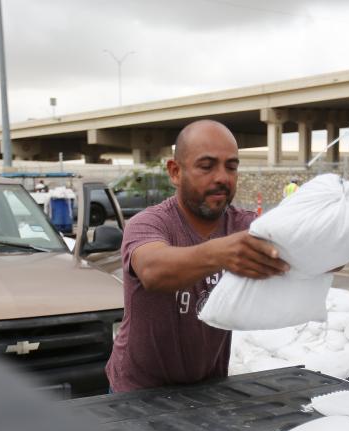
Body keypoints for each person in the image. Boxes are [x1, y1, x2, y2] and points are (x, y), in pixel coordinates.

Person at [105, 120, 289, 393]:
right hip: (137, 392)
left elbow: (313, 252)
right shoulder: (148, 223)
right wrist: (223, 253)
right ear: (175, 171)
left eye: (231, 166)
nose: (222, 178)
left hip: (208, 389)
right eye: (207, 166)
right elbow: (154, 271)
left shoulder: (245, 225)